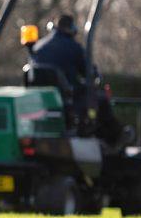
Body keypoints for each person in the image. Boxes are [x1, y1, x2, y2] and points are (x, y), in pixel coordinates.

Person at [31, 14, 124, 145]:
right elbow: (89, 73)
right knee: (101, 100)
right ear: (71, 29)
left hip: (40, 99)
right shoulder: (74, 47)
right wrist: (95, 75)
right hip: (68, 99)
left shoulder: (38, 47)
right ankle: (114, 138)